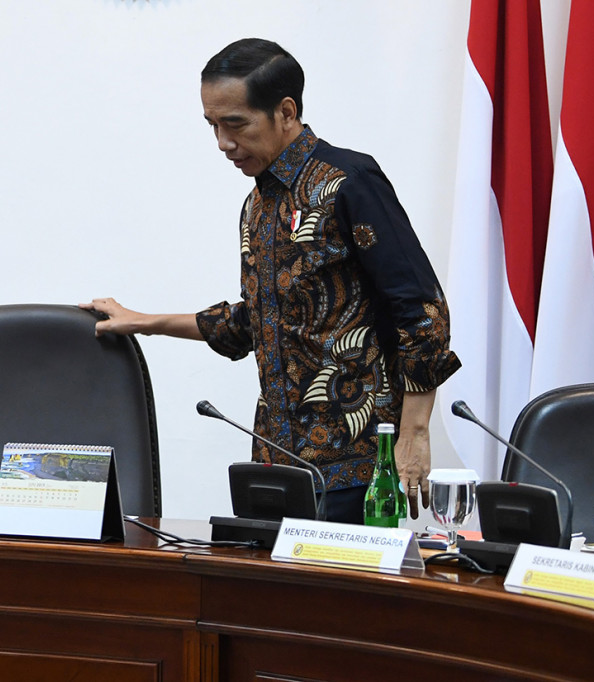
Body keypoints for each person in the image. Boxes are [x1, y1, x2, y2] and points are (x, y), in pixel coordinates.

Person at [82, 38, 460, 524]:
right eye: (212, 126)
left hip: (356, 465)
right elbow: (254, 321)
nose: (222, 143)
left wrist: (415, 433)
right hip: (275, 463)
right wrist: (144, 321)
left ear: (285, 111)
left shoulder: (349, 182)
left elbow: (423, 313)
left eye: (235, 124)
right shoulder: (257, 206)